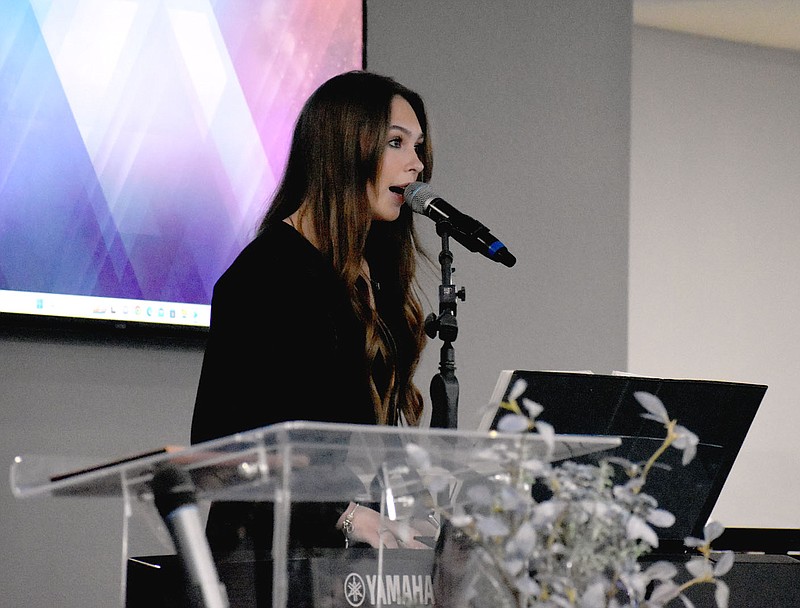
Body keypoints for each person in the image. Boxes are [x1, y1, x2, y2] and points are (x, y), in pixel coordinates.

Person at [190, 70, 437, 570]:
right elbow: (223, 449)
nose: (416, 166)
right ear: (344, 149)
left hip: (348, 565)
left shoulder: (373, 275)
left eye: (419, 147)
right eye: (396, 143)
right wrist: (345, 516)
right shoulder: (265, 275)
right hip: (267, 561)